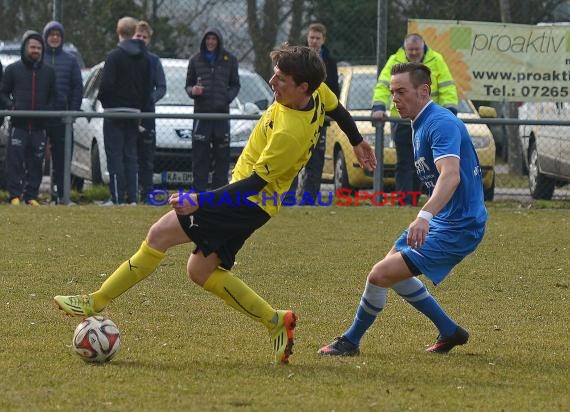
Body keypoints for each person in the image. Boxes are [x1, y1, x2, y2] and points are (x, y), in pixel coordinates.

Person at [54, 44, 377, 364]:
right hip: (253, 204)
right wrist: (358, 140)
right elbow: (338, 110)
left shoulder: (289, 135)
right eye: (274, 74)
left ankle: (94, 302)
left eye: (281, 79)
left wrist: (199, 200)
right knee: (200, 270)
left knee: (159, 235)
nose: (272, 82)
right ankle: (275, 320)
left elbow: (254, 184)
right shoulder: (317, 93)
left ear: (302, 86)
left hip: (244, 200)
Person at [319, 62, 486, 356]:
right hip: (444, 220)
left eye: (401, 92)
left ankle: (350, 342)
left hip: (459, 226)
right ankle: (450, 331)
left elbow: (451, 175)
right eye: (392, 91)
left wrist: (424, 215)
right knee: (392, 272)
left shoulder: (439, 123)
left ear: (423, 91)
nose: (395, 98)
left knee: (380, 275)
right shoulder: (420, 122)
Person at [372, 33, 458, 206]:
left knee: (425, 163)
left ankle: (423, 199)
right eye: (409, 50)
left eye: (416, 50)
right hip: (402, 121)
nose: (412, 53)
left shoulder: (436, 60)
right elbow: (383, 86)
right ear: (405, 48)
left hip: (429, 119)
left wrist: (449, 111)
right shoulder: (395, 60)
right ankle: (405, 200)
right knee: (404, 162)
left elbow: (447, 87)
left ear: (423, 47)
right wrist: (379, 106)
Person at [98, 17, 151, 205]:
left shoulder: (114, 56)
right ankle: (133, 198)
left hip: (113, 111)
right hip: (134, 111)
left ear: (119, 32)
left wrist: (104, 102)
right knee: (130, 155)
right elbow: (147, 87)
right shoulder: (144, 58)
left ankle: (117, 197)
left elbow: (106, 85)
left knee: (115, 156)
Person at [0, 30, 56, 206]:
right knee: (15, 162)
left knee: (35, 163)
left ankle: (31, 196)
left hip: (39, 126)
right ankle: (14, 195)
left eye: (39, 48)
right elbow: (2, 93)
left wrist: (47, 110)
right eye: (32, 47)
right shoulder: (12, 70)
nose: (35, 50)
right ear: (25, 47)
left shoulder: (49, 72)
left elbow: (54, 97)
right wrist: (11, 107)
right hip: (19, 125)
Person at [185, 28, 240, 192]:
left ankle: (219, 194)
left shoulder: (230, 60)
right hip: (201, 115)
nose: (210, 42)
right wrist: (192, 91)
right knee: (200, 157)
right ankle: (198, 194)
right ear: (204, 41)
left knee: (222, 158)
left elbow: (235, 85)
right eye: (208, 39)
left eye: (213, 39)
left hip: (221, 116)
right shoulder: (195, 60)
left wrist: (226, 98)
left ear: (218, 41)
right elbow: (188, 85)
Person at [293, 22, 340, 203]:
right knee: (294, 158)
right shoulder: (297, 58)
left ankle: (309, 199)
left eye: (317, 38)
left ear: (323, 40)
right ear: (307, 38)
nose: (314, 41)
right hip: (298, 116)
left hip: (320, 117)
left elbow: (334, 89)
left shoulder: (330, 62)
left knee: (316, 160)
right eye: (311, 37)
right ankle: (289, 197)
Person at [42, 20, 84, 205]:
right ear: (46, 37)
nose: (54, 38)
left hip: (62, 118)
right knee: (34, 158)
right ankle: (29, 196)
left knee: (62, 160)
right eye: (51, 34)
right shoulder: (38, 58)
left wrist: (72, 112)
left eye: (58, 35)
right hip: (40, 118)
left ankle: (61, 195)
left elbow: (77, 87)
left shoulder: (70, 60)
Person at [133, 20, 167, 203]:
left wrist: (149, 100)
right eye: (138, 35)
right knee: (128, 156)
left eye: (144, 37)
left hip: (147, 117)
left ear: (149, 40)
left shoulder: (154, 61)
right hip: (128, 113)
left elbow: (161, 87)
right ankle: (127, 194)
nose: (141, 39)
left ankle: (146, 194)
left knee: (146, 158)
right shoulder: (126, 57)